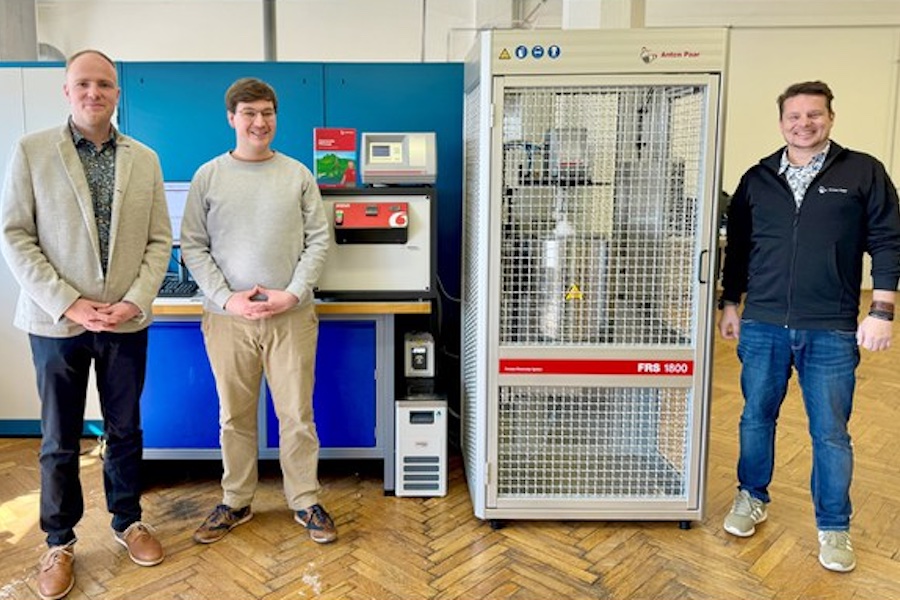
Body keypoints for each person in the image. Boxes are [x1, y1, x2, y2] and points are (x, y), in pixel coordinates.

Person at [0, 49, 172, 599]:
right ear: (67, 91)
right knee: (58, 438)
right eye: (83, 84)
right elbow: (16, 236)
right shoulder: (31, 152)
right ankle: (59, 540)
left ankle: (127, 520)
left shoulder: (144, 158)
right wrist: (69, 302)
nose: (94, 92)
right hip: (56, 323)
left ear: (117, 93)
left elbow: (158, 240)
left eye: (104, 84)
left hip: (124, 318)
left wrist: (136, 298)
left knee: (125, 428)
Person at [718, 80, 900, 573]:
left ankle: (834, 528)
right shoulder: (758, 177)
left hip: (832, 327)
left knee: (831, 433)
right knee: (756, 416)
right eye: (794, 116)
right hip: (763, 324)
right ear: (782, 123)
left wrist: (881, 310)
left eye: (814, 115)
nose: (804, 123)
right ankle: (750, 497)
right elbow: (737, 249)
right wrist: (730, 303)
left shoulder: (863, 172)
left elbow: (887, 240)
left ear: (830, 117)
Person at [180, 77, 335, 545]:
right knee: (234, 416)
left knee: (297, 415)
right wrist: (228, 298)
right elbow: (193, 244)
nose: (259, 122)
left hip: (290, 316)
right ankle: (236, 500)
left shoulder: (297, 175)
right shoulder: (209, 176)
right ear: (232, 118)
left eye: (267, 112)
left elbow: (319, 241)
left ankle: (305, 500)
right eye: (248, 113)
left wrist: (293, 292)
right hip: (228, 320)